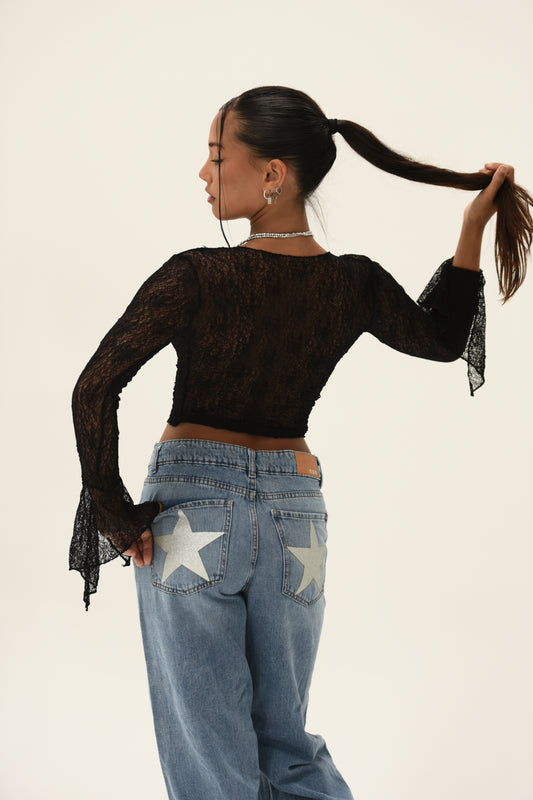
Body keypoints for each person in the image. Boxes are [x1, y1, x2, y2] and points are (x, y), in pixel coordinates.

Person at [70, 86, 532, 800]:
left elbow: (94, 387)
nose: (203, 173)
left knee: (210, 748)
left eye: (216, 155)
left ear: (272, 174)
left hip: (193, 514)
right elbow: (443, 339)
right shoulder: (353, 284)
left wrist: (114, 511)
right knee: (287, 742)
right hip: (294, 516)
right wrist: (471, 227)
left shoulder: (197, 275)